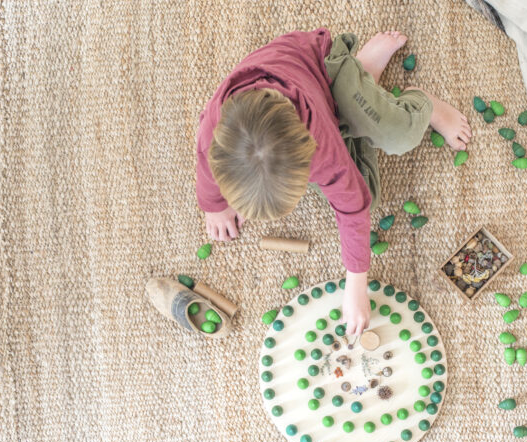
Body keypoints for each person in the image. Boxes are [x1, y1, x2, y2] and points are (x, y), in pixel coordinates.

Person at [195, 28, 471, 336]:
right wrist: (215, 206)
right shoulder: (213, 132)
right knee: (366, 188)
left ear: (308, 153)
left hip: (325, 70)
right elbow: (206, 169)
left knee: (398, 135)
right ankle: (364, 82)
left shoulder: (321, 142)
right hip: (304, 100)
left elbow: (353, 207)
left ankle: (404, 94)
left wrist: (356, 284)